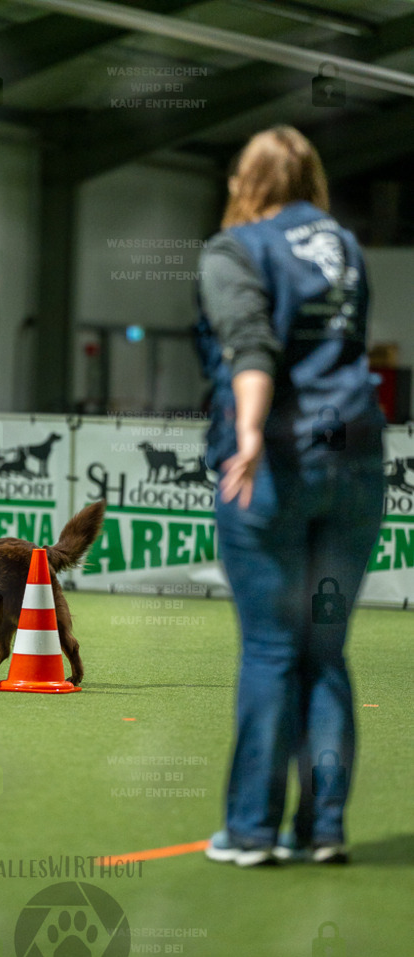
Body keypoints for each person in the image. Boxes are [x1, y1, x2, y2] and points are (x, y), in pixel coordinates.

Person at [195, 125, 385, 867]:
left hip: (276, 464)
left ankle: (249, 831)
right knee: (324, 654)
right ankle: (322, 829)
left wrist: (245, 433)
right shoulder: (344, 247)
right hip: (355, 463)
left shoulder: (235, 248)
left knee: (272, 649)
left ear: (246, 178)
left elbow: (250, 346)